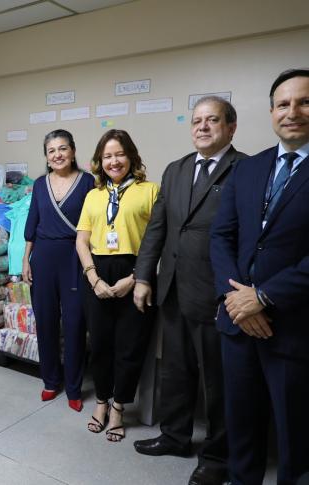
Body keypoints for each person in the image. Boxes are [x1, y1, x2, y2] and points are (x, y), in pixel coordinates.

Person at [131, 97, 245, 485]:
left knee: (218, 380)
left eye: (212, 120)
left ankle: (217, 456)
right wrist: (144, 276)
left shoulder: (246, 169)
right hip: (173, 290)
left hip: (219, 294)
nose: (202, 127)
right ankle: (175, 436)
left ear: (230, 127)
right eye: (197, 120)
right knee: (176, 370)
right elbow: (157, 229)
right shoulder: (176, 170)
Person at [210, 68, 309, 485]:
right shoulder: (249, 169)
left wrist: (264, 297)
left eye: (304, 102)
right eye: (283, 104)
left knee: (295, 435)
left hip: (293, 327)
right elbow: (221, 236)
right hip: (238, 323)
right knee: (242, 423)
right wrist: (236, 299)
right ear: (271, 112)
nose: (293, 112)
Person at [75, 129, 158, 442]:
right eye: (107, 156)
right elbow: (82, 240)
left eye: (119, 154)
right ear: (99, 161)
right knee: (99, 346)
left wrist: (135, 277)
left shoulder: (150, 191)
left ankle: (119, 408)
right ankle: (100, 403)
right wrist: (93, 278)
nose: (114, 161)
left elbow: (156, 240)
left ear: (131, 157)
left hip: (136, 273)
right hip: (96, 272)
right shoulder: (93, 195)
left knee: (130, 347)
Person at [22, 129, 93, 412]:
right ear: (47, 157)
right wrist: (26, 259)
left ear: (73, 151)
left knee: (75, 324)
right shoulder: (40, 184)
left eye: (63, 149)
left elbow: (93, 225)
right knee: (47, 322)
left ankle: (74, 387)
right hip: (43, 258)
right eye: (52, 151)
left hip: (74, 257)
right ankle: (50, 381)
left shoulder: (88, 182)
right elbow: (32, 223)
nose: (58, 155)